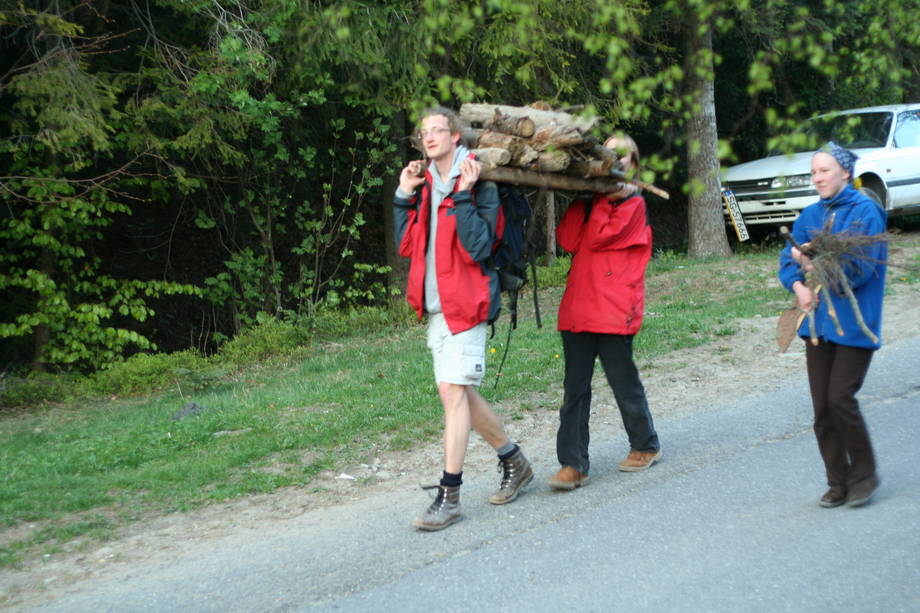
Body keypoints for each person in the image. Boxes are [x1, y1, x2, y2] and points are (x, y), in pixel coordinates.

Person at [393, 106, 533, 531]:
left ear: (455, 136)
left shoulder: (477, 180)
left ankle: (449, 495)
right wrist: (403, 195)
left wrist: (464, 196)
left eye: (437, 130)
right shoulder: (423, 183)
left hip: (469, 302)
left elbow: (479, 248)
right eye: (424, 132)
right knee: (460, 394)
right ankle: (514, 460)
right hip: (437, 305)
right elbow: (407, 246)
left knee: (453, 392)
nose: (429, 137)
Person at [549, 133, 661, 491]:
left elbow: (600, 237)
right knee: (574, 390)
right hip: (579, 307)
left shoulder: (634, 204)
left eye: (623, 155)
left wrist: (600, 200)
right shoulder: (591, 202)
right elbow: (567, 240)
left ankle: (645, 445)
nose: (615, 160)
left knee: (623, 382)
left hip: (615, 309)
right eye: (609, 154)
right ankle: (573, 464)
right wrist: (582, 198)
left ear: (634, 164)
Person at [778, 141, 887, 508]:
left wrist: (813, 263)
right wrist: (798, 286)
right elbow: (788, 258)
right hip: (818, 327)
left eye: (824, 170)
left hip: (856, 323)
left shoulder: (865, 212)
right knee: (823, 410)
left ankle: (865, 476)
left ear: (845, 172)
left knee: (841, 398)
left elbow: (860, 271)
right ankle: (838, 481)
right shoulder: (810, 215)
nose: (817, 178)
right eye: (814, 172)